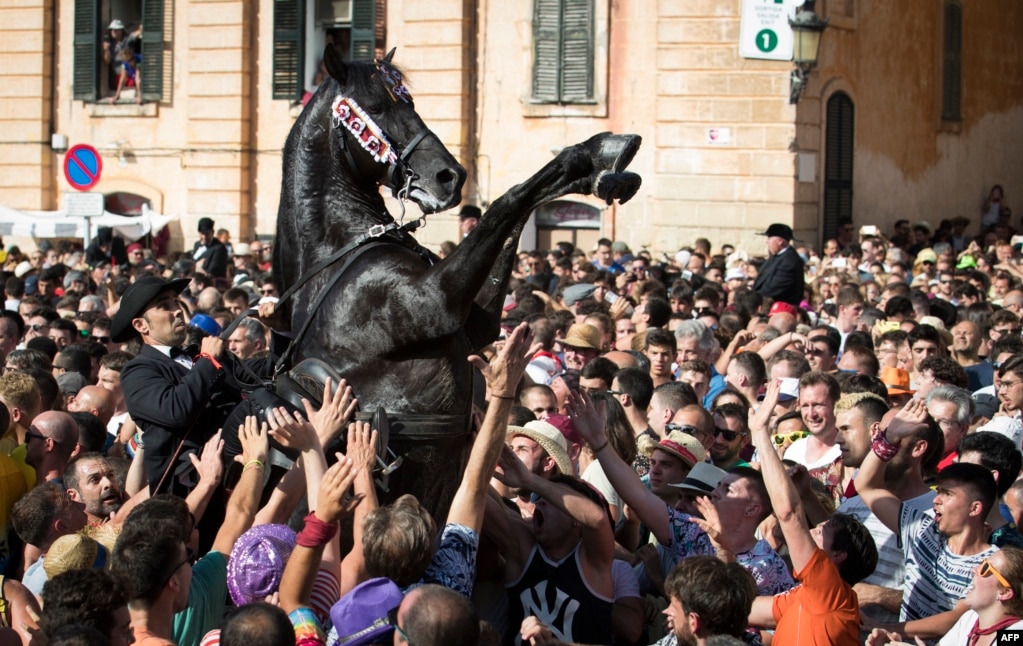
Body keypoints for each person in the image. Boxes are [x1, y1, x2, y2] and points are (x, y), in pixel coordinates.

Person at [745, 379, 878, 645]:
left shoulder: (829, 589)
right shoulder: (806, 594)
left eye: (821, 531)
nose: (813, 528)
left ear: (837, 556)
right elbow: (742, 607)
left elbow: (789, 514)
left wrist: (760, 434)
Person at [113, 276, 248, 495]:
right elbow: (175, 409)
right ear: (141, 325)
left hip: (238, 465)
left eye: (176, 302)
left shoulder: (198, 353)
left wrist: (280, 330)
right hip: (189, 488)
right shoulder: (138, 371)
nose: (176, 310)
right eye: (164, 306)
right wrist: (206, 361)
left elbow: (254, 377)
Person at [752, 223, 804, 307]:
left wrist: (753, 298)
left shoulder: (790, 261)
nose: (767, 242)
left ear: (780, 241)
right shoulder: (777, 256)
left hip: (781, 309)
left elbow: (772, 289)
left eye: (769, 238)